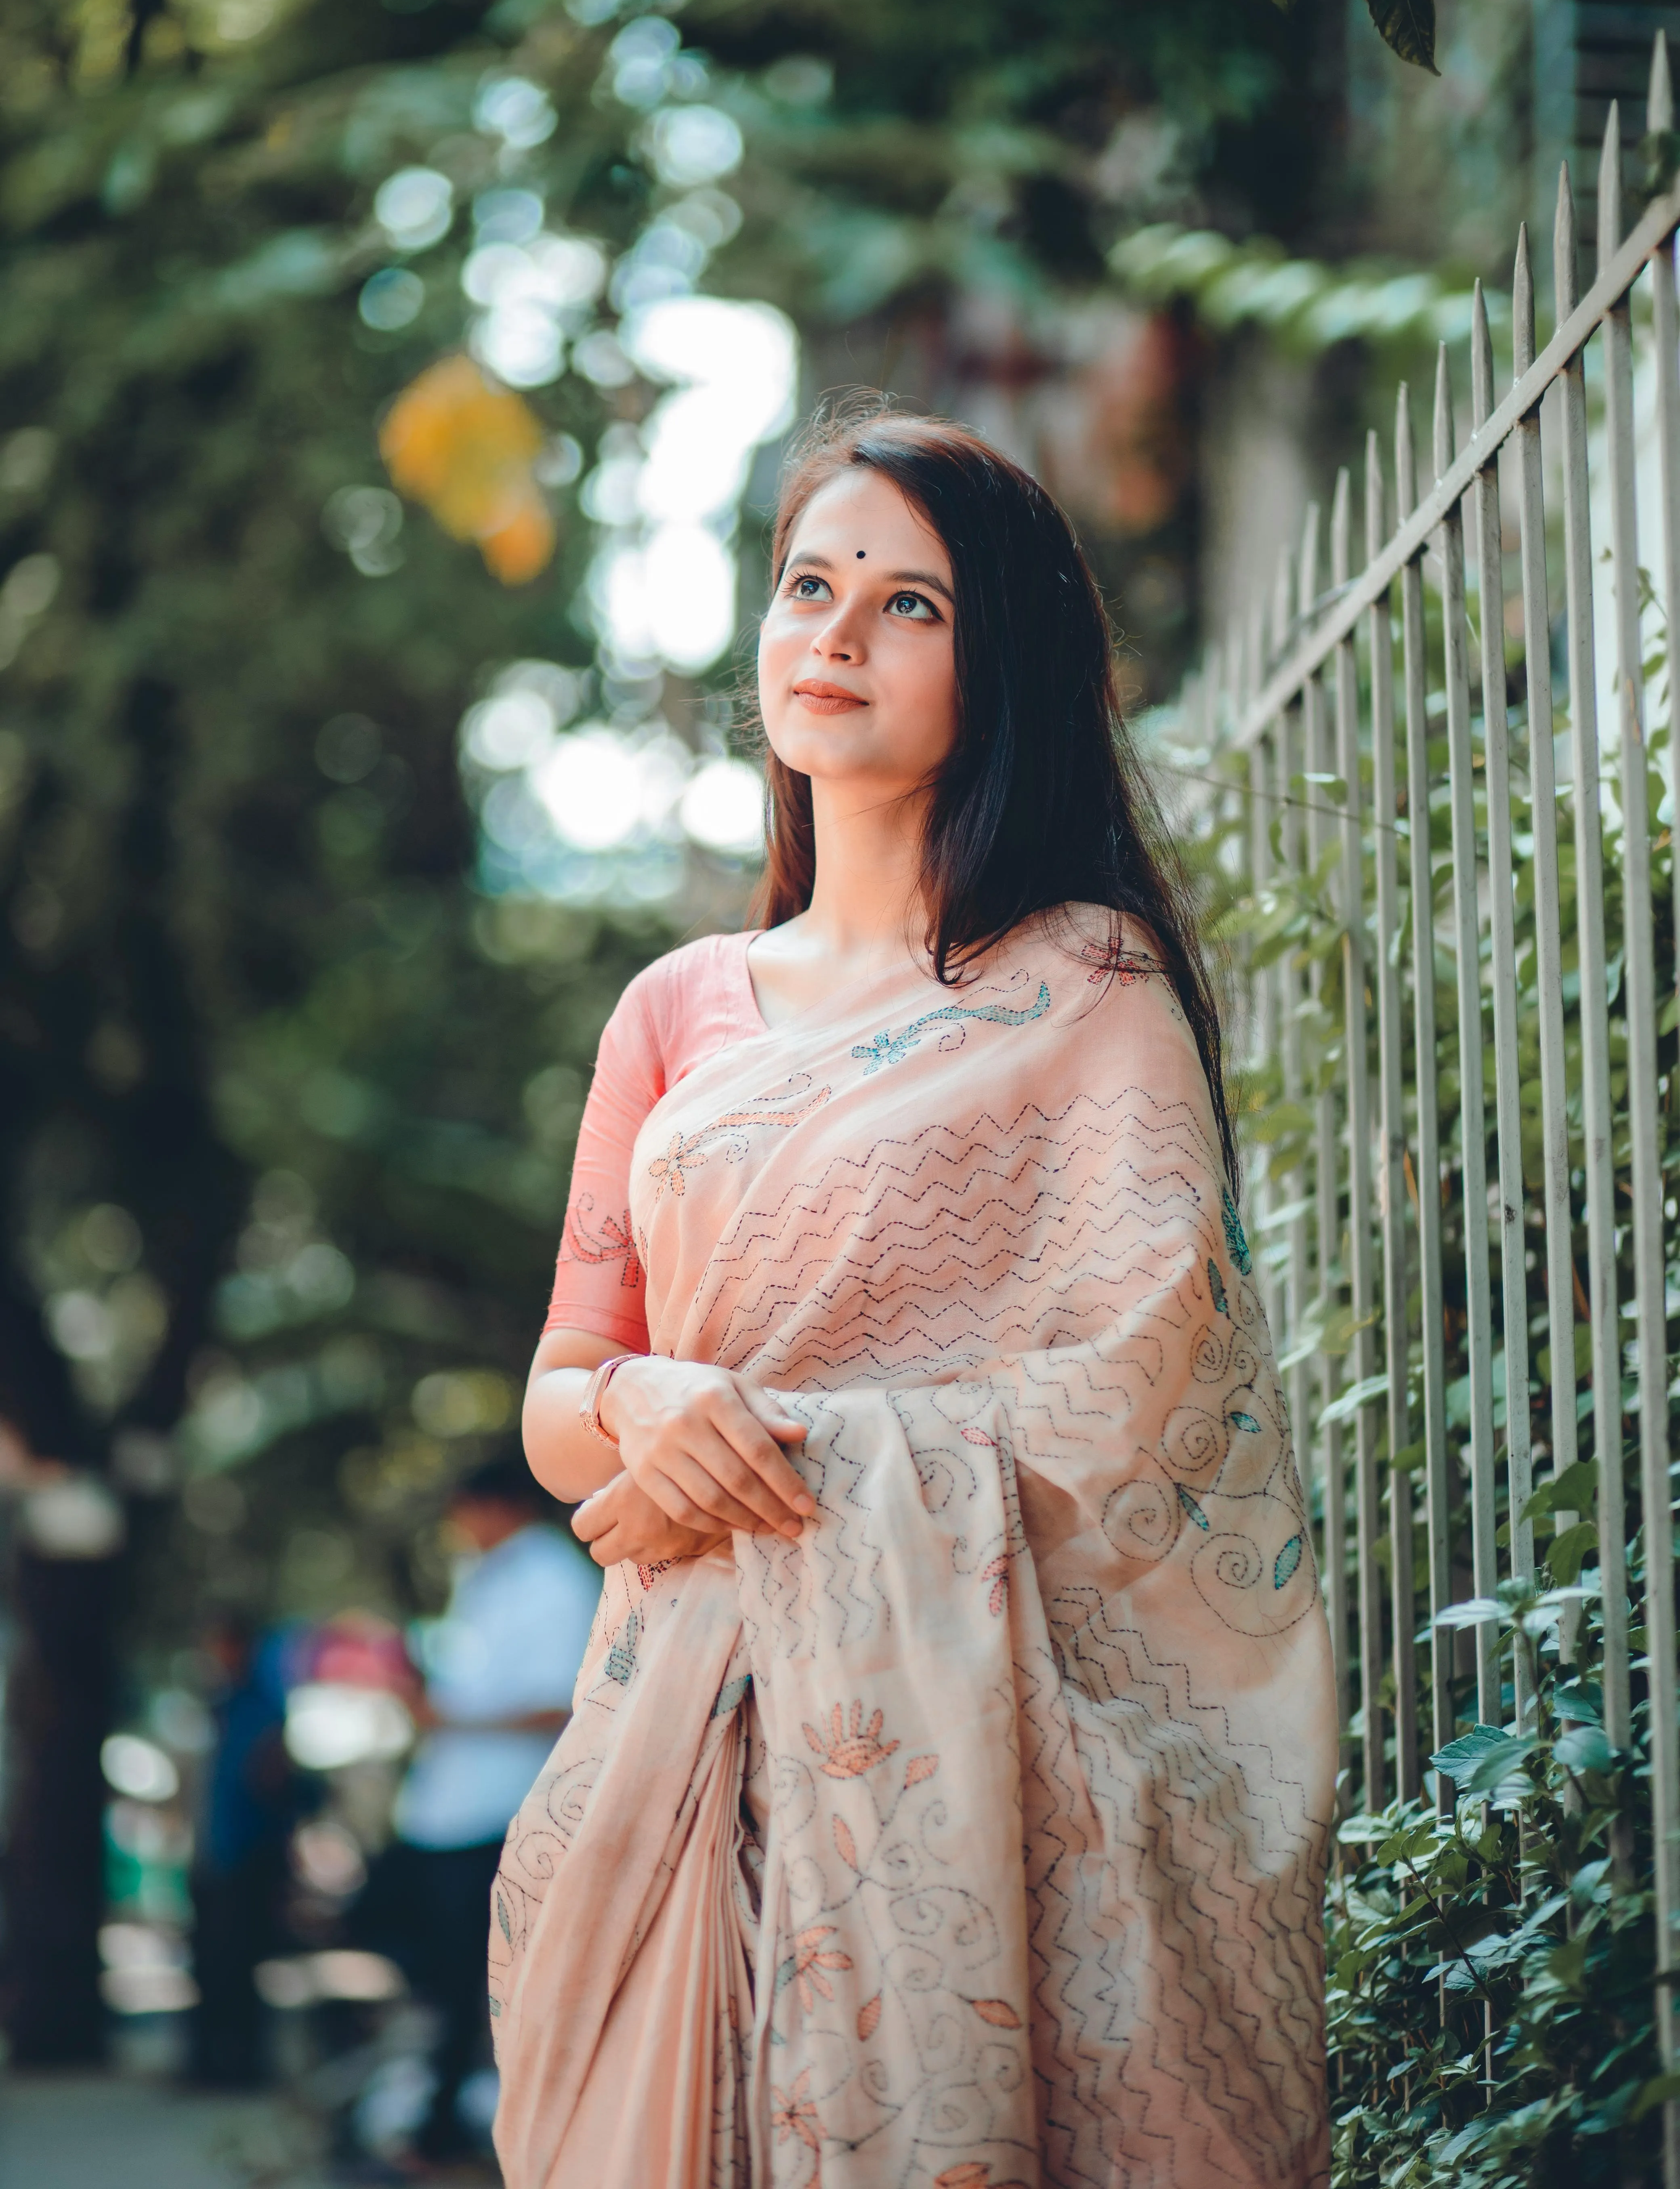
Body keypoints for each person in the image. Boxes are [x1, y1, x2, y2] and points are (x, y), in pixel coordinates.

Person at [491, 405, 1338, 2188]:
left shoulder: (1089, 992)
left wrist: (783, 1442)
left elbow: (1137, 1402)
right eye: (811, 585)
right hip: (679, 1754)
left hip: (966, 1780)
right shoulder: (679, 1009)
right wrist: (648, 1402)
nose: (837, 636)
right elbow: (564, 1401)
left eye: (910, 605)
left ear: (1001, 662)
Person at [381, 1454, 598, 2168]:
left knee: (495, 1983)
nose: (458, 1527)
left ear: (499, 1507)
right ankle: (455, 2125)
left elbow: (563, 1702)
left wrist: (448, 1717)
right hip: (452, 1814)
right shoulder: (484, 1579)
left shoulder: (553, 1581)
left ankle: (488, 2133)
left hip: (506, 1814)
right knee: (452, 1984)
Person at [189, 1613, 304, 2086]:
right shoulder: (219, 1706)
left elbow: (272, 1783)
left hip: (248, 1857)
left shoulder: (262, 1710)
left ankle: (240, 2065)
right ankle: (209, 2062)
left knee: (239, 1964)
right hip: (214, 1853)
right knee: (211, 1964)